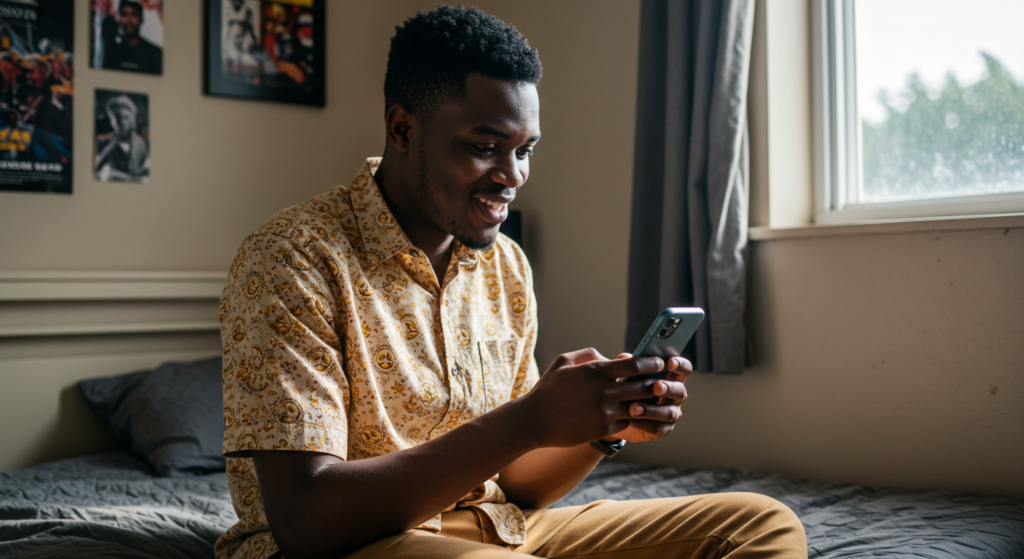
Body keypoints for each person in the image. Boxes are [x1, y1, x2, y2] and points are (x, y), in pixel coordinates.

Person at [216, 7, 806, 559]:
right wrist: (528, 420)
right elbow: (306, 519)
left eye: (525, 150)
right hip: (357, 544)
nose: (513, 175)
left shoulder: (506, 265)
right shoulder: (291, 259)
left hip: (500, 531)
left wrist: (601, 425)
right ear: (402, 130)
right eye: (484, 147)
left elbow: (519, 487)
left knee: (761, 524)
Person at [95, 94, 148, 181]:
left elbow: (143, 173)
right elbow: (95, 171)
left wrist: (117, 174)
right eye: (118, 117)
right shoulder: (104, 142)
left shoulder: (140, 143)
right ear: (112, 120)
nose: (123, 122)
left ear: (132, 119)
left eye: (126, 117)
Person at [100, 0, 162, 74]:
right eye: (124, 14)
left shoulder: (156, 54)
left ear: (141, 18)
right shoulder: (111, 52)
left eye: (134, 14)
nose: (129, 20)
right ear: (119, 19)